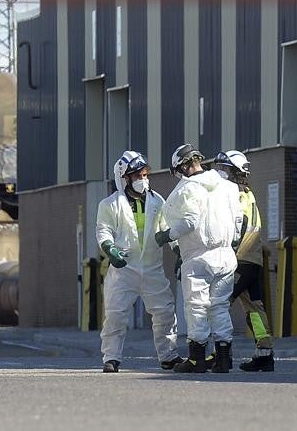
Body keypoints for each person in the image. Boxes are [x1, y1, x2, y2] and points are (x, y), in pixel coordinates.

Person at [156, 143, 243, 373]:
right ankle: (224, 358)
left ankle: (197, 359)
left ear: (181, 168)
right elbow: (238, 222)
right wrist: (231, 245)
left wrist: (166, 236)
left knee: (197, 307)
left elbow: (190, 221)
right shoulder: (228, 187)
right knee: (220, 307)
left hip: (198, 257)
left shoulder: (186, 190)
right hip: (226, 255)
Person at [95, 150, 182, 373]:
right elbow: (103, 230)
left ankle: (168, 356)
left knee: (164, 312)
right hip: (124, 269)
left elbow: (166, 229)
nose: (143, 180)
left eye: (145, 175)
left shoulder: (158, 201)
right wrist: (109, 249)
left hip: (152, 267)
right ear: (124, 179)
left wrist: (178, 251)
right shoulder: (110, 204)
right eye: (137, 176)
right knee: (115, 314)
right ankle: (111, 358)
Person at [213, 150, 275, 372]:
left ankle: (220, 353)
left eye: (224, 169)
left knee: (218, 304)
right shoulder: (249, 194)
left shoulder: (236, 196)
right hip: (253, 260)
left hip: (239, 259)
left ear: (234, 172)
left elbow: (239, 225)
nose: (220, 173)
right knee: (254, 308)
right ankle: (264, 353)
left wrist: (227, 251)